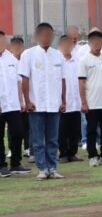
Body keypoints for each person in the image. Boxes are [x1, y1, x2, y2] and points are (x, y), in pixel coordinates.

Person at [19, 23, 66, 180]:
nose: (47, 37)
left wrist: (63, 100)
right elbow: (24, 79)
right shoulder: (28, 54)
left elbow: (63, 79)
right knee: (38, 139)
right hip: (36, 104)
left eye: (50, 35)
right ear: (37, 36)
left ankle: (52, 168)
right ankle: (42, 168)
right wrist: (27, 101)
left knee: (53, 139)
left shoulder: (57, 55)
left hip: (54, 104)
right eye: (44, 34)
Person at [78, 30, 102, 167]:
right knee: (92, 130)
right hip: (92, 102)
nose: (97, 44)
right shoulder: (84, 60)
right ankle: (93, 155)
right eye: (94, 41)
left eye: (99, 41)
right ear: (89, 43)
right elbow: (82, 83)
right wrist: (83, 102)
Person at [0, 31, 32, 176]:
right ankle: (1, 165)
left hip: (13, 105)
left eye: (2, 40)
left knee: (18, 132)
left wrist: (22, 101)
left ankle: (15, 162)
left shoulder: (11, 59)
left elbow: (19, 82)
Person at [58, 35, 83, 163]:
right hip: (62, 102)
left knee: (75, 129)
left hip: (76, 101)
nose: (68, 47)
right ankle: (63, 153)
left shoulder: (77, 60)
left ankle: (72, 153)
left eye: (70, 44)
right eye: (65, 44)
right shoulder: (56, 60)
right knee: (62, 130)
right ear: (60, 45)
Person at [9, 36, 30, 160]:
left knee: (26, 126)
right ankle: (13, 150)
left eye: (19, 45)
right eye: (15, 45)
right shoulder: (8, 61)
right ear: (11, 47)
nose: (17, 48)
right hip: (13, 102)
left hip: (25, 100)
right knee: (13, 129)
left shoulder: (25, 61)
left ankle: (28, 148)